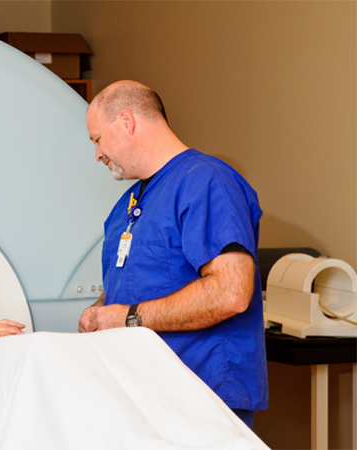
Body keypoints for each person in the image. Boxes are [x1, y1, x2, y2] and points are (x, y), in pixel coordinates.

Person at [78, 80, 267, 428]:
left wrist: (126, 317)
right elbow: (140, 277)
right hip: (144, 393)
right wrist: (99, 310)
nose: (98, 155)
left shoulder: (208, 182)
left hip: (199, 394)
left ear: (126, 121)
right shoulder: (131, 202)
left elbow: (231, 293)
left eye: (97, 139)